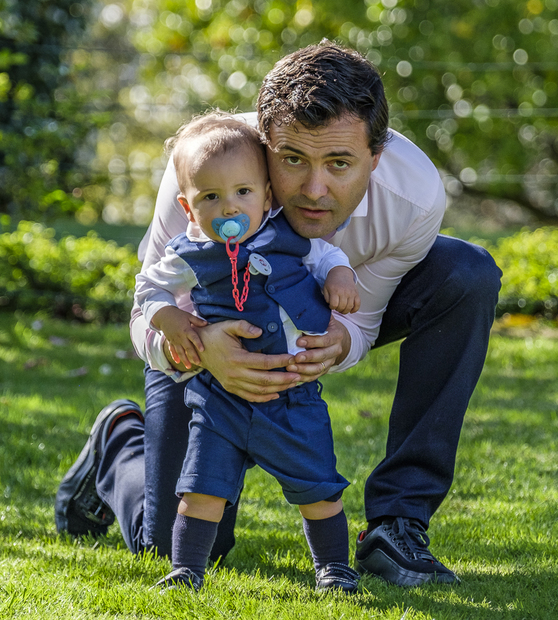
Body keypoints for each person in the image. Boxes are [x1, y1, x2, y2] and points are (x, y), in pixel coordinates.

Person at [56, 40, 502, 588]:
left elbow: (362, 323)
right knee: (174, 539)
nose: (315, 191)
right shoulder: (205, 171)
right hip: (208, 339)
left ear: (375, 156)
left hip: (309, 322)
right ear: (265, 146)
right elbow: (146, 312)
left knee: (467, 272)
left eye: (339, 163)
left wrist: (335, 345)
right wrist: (201, 348)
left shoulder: (413, 199)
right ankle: (121, 439)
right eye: (292, 160)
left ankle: (398, 523)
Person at [135, 111, 361, 592]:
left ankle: (334, 568)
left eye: (242, 193)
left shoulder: (292, 237)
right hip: (219, 398)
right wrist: (171, 321)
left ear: (267, 195)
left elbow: (329, 257)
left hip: (291, 396)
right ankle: (187, 570)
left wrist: (341, 278)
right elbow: (147, 290)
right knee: (200, 488)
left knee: (318, 487)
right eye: (210, 198)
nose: (228, 208)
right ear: (188, 206)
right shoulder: (189, 254)